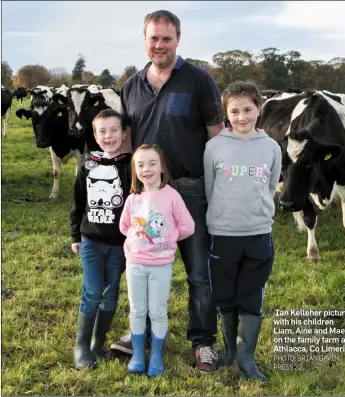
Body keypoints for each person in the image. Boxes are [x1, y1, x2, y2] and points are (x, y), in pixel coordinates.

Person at [110, 10, 225, 373]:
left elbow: (216, 135)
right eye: (153, 38)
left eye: (167, 38)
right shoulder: (131, 86)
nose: (160, 45)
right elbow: (128, 141)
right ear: (145, 40)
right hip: (146, 194)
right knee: (141, 265)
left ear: (178, 39)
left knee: (198, 272)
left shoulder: (199, 81)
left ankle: (203, 343)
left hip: (190, 190)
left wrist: (215, 187)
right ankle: (137, 334)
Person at [203, 81, 282, 381]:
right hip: (223, 234)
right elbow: (211, 189)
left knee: (250, 295)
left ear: (259, 109)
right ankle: (231, 352)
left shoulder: (271, 147)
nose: (241, 117)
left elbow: (271, 185)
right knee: (225, 295)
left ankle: (247, 356)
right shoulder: (214, 147)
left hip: (258, 233)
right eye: (234, 111)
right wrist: (223, 216)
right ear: (226, 113)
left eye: (248, 109)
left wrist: (258, 213)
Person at [120, 144, 195, 376]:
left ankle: (157, 355)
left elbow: (187, 227)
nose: (147, 169)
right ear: (135, 170)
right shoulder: (133, 198)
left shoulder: (172, 196)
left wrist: (166, 240)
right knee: (137, 309)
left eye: (152, 163)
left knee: (158, 310)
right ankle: (139, 354)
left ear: (162, 167)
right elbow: (124, 226)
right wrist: (139, 241)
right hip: (134, 264)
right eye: (140, 165)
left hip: (161, 266)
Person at [70, 109, 131, 369]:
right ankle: (81, 346)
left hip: (120, 244)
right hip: (91, 241)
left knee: (110, 294)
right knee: (92, 292)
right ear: (94, 135)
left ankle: (98, 342)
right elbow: (77, 202)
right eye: (102, 131)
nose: (108, 136)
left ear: (124, 133)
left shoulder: (130, 166)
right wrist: (75, 234)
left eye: (114, 130)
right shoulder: (87, 165)